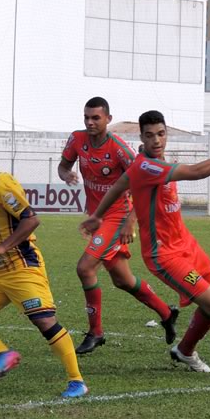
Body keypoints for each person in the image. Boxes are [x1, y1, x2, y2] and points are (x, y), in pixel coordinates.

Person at [80, 110, 210, 381]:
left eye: (161, 134)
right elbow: (198, 172)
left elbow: (118, 185)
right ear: (141, 137)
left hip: (187, 245)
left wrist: (97, 215)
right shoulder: (147, 166)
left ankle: (185, 350)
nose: (156, 140)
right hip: (163, 254)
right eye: (150, 135)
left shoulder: (151, 164)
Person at [0, 140, 88, 398]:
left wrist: (3, 246)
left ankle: (77, 381)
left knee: (45, 322)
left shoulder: (4, 187)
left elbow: (32, 219)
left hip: (22, 268)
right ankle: (2, 353)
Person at [59, 97, 178, 354]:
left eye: (96, 118)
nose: (90, 122)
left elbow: (144, 180)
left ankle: (96, 332)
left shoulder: (120, 149)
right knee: (123, 281)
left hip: (117, 217)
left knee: (85, 267)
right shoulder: (76, 139)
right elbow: (63, 165)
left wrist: (130, 221)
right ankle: (167, 313)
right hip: (97, 216)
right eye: (87, 117)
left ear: (108, 119)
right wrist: (66, 174)